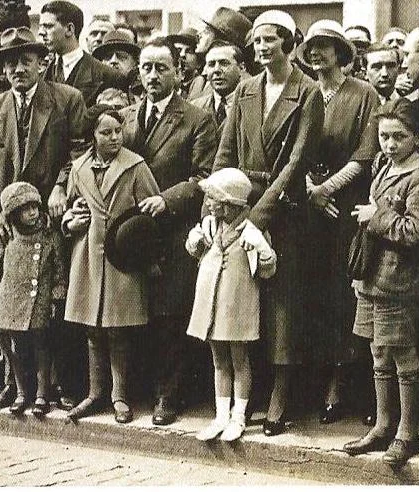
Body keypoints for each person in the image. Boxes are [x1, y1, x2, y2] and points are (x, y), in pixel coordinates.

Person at [205, 10, 323, 436]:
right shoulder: (245, 90)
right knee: (240, 303)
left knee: (282, 306)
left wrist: (258, 216)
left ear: (289, 43)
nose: (261, 47)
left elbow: (297, 161)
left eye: (269, 40)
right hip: (238, 208)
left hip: (284, 211)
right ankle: (242, 399)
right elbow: (225, 154)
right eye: (256, 41)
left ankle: (280, 394)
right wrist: (215, 206)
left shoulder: (307, 91)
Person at [0, 26, 86, 413]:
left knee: (51, 305)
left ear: (43, 63)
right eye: (9, 63)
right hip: (9, 223)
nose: (17, 69)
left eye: (25, 61)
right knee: (9, 305)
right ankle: (13, 386)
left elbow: (78, 149)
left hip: (50, 218)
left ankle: (53, 386)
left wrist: (60, 186)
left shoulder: (67, 99)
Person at [119, 36, 218, 426]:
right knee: (132, 308)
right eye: (146, 67)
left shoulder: (196, 117)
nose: (153, 75)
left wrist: (168, 199)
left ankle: (168, 394)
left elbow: (205, 175)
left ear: (177, 72)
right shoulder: (126, 118)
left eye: (162, 67)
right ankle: (136, 389)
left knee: (171, 312)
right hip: (130, 229)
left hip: (175, 228)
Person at [295, 19, 381, 424]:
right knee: (314, 295)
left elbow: (365, 155)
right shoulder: (306, 92)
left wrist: (326, 189)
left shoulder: (364, 94)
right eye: (311, 46)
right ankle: (316, 384)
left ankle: (348, 388)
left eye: (326, 46)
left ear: (341, 52)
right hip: (311, 205)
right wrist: (311, 190)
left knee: (346, 297)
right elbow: (296, 151)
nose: (317, 53)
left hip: (347, 205)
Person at [342, 98, 419, 470]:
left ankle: (406, 432)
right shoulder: (383, 165)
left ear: (417, 138)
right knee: (378, 353)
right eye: (384, 136)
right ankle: (382, 424)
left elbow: (414, 231)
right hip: (371, 277)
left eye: (399, 136)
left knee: (402, 354)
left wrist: (375, 216)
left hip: (397, 280)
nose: (390, 144)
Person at [61, 106, 160, 424]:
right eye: (106, 132)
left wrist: (144, 251)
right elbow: (71, 207)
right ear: (93, 134)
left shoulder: (135, 166)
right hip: (88, 254)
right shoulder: (79, 168)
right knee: (92, 328)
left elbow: (151, 214)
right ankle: (94, 393)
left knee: (118, 330)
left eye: (118, 131)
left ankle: (119, 396)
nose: (114, 137)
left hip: (122, 258)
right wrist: (70, 222)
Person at [186, 168, 277, 442]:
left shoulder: (251, 231)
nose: (209, 204)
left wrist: (262, 251)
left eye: (213, 199)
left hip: (236, 303)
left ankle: (239, 416)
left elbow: (268, 269)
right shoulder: (210, 225)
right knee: (218, 360)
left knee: (239, 359)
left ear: (229, 203)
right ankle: (221, 415)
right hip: (211, 302)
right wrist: (193, 243)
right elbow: (196, 251)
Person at [0, 181, 66, 417]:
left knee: (41, 346)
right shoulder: (7, 237)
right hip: (10, 298)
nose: (32, 212)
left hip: (38, 298)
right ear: (13, 214)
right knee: (12, 349)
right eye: (25, 208)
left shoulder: (50, 235)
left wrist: (54, 299)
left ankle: (42, 394)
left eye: (35, 207)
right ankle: (21, 392)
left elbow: (59, 271)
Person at [39, 1, 123, 106]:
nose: (41, 32)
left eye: (48, 26)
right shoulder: (40, 79)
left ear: (69, 29)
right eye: (41, 26)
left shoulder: (108, 76)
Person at [190, 40, 247, 134]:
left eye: (224, 63)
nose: (216, 70)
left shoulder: (250, 106)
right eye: (211, 64)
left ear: (241, 68)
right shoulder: (194, 108)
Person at [91, 29, 143, 103]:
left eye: (121, 56)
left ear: (135, 62)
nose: (113, 61)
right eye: (108, 57)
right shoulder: (90, 93)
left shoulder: (142, 93)